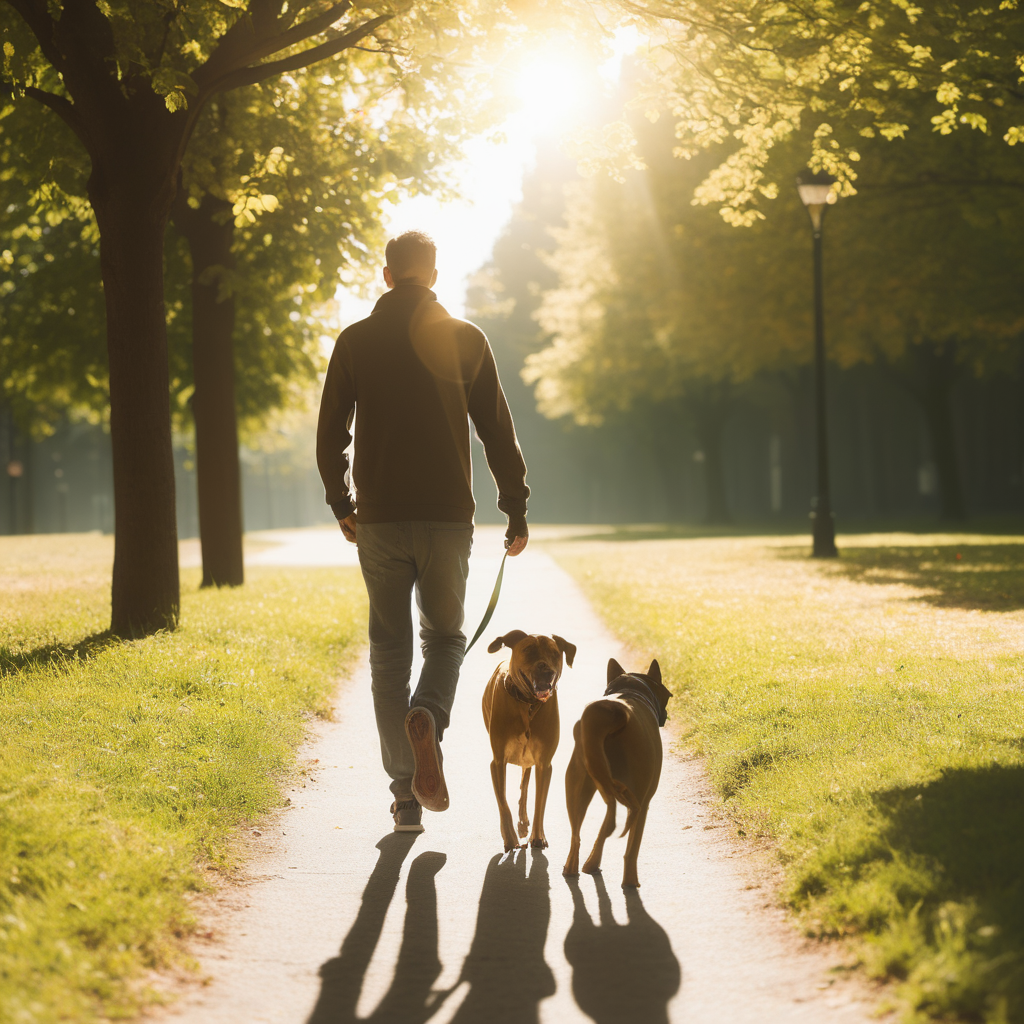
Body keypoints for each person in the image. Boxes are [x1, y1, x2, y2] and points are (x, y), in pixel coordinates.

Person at [317, 231, 530, 834]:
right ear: (433, 275)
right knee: (444, 641)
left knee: (389, 654)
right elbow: (497, 431)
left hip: (379, 520)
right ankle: (429, 717)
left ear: (387, 276)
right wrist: (514, 507)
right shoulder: (466, 338)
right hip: (445, 518)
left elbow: (331, 430)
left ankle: (404, 798)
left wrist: (342, 501)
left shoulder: (355, 340)